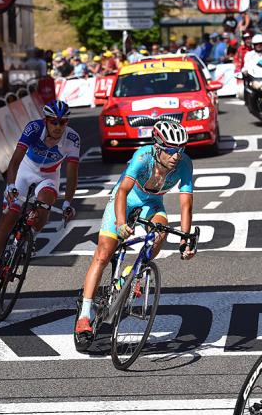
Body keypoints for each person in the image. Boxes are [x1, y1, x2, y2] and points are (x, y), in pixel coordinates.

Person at [74, 121, 197, 346]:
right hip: (125, 199)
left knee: (160, 233)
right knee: (103, 253)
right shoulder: (143, 157)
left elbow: (186, 204)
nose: (176, 156)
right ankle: (84, 315)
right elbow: (122, 191)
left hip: (153, 203)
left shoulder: (185, 164)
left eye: (180, 150)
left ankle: (133, 271)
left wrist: (185, 239)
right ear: (158, 147)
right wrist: (121, 223)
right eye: (170, 150)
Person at [0, 100, 80, 295]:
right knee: (9, 218)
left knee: (45, 203)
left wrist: (68, 203)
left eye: (63, 122)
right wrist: (10, 186)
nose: (58, 126)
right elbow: (15, 161)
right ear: (46, 120)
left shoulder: (72, 139)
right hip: (25, 171)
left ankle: (30, 237)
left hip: (49, 176)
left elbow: (73, 173)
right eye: (53, 121)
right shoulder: (34, 128)